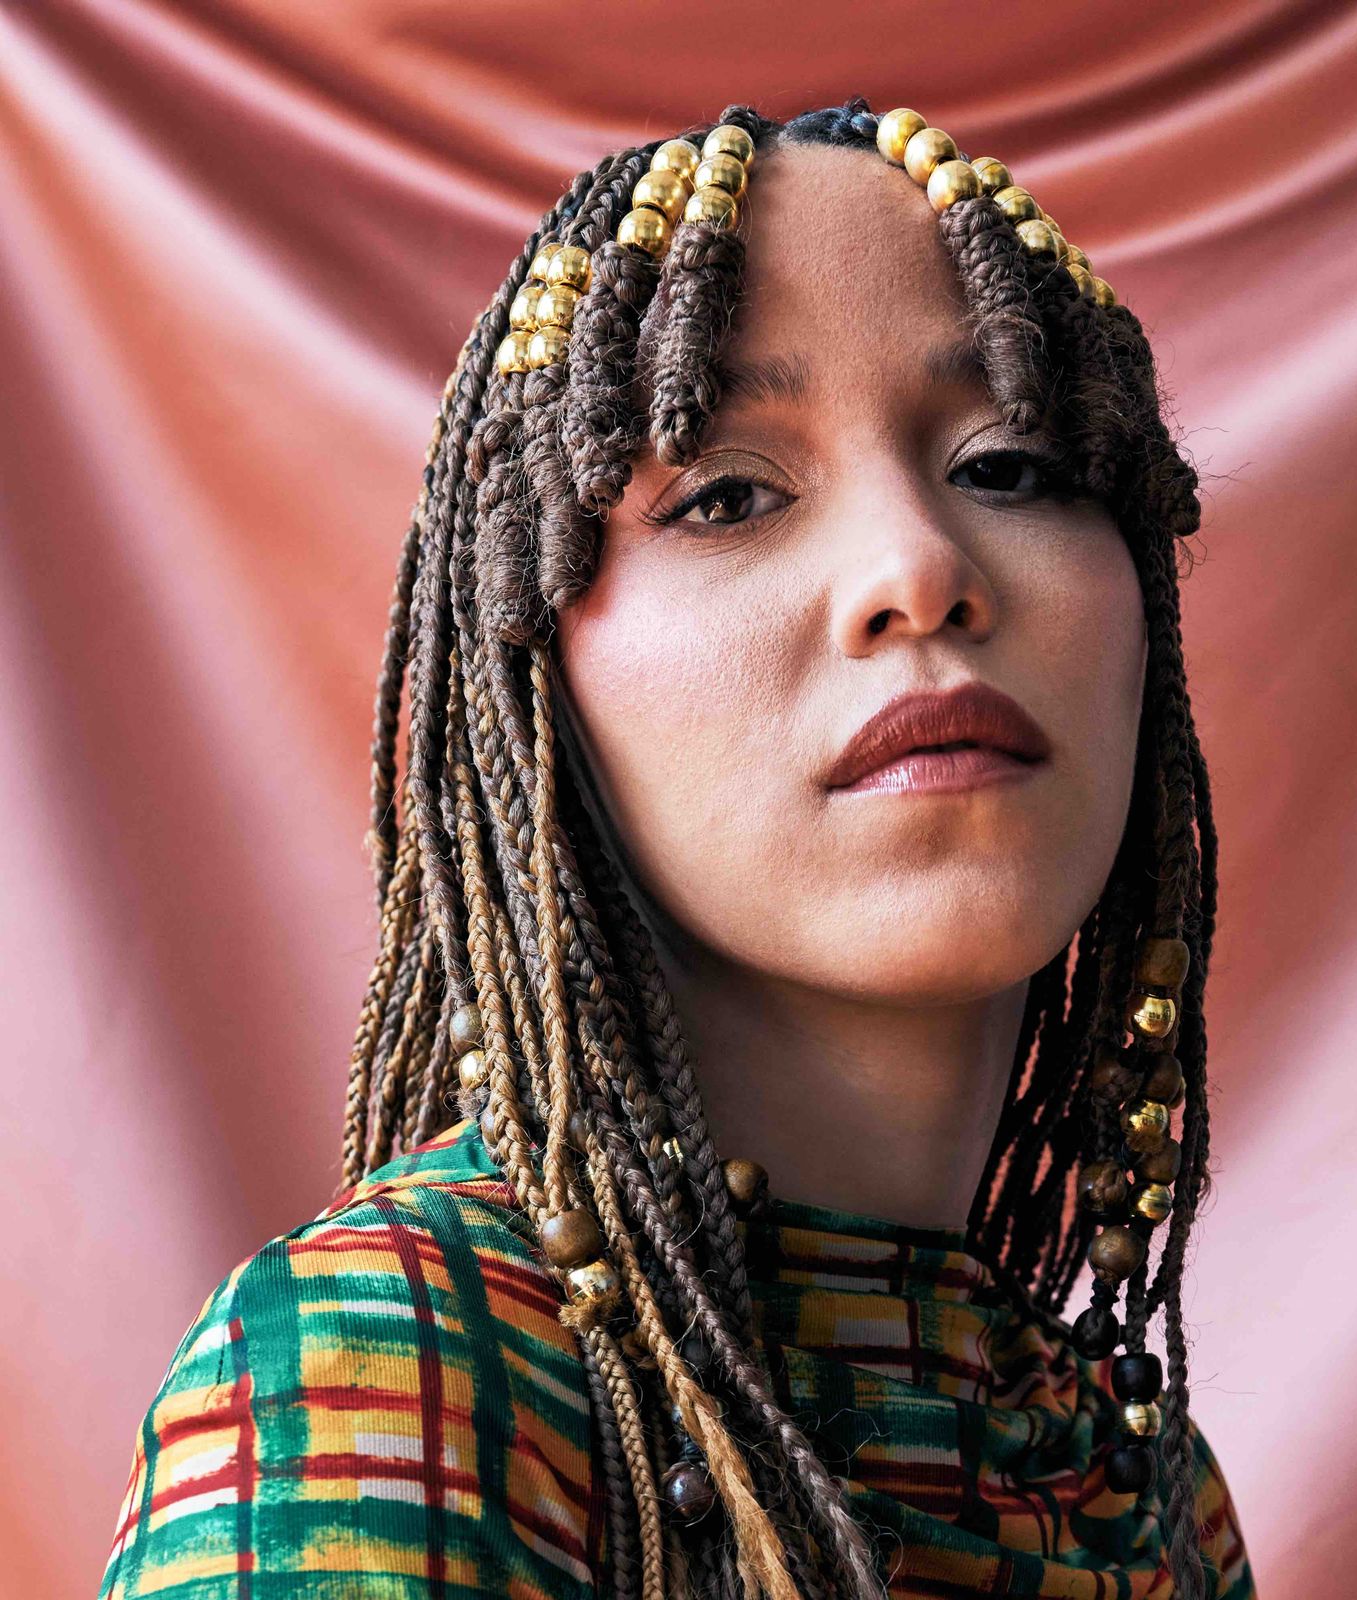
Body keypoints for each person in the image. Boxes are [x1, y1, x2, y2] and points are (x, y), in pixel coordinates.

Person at [97, 99, 1255, 1600]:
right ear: (531, 681)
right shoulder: (378, 1378)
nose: (919, 566)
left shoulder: (1140, 1488)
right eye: (725, 495)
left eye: (1011, 464)